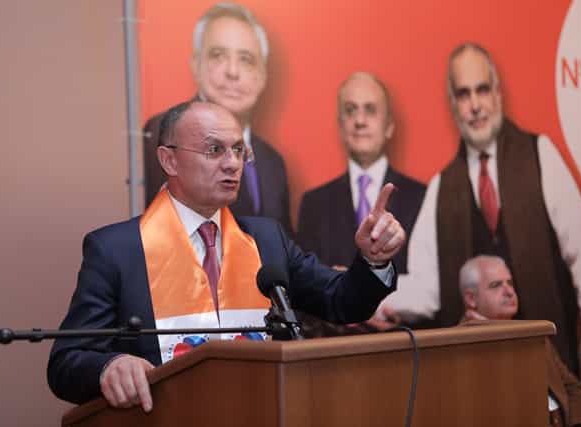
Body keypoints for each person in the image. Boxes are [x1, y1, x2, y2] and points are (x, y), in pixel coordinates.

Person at [47, 101, 406, 412]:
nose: (233, 163)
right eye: (215, 150)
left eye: (238, 150)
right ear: (169, 160)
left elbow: (342, 302)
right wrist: (109, 366)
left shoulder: (266, 239)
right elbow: (66, 362)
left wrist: (373, 260)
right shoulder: (117, 250)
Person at [372, 42, 581, 387]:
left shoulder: (541, 155)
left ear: (497, 93)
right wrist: (367, 290)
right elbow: (427, 289)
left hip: (550, 363)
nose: (475, 105)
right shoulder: (441, 186)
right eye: (463, 94)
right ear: (453, 105)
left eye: (482, 89)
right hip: (477, 378)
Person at [143, 2, 292, 234]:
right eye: (218, 55)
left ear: (263, 76)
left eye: (246, 59)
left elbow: (284, 244)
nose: (232, 71)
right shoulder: (162, 134)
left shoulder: (273, 162)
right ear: (196, 65)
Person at [297, 72, 425, 274]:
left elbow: (428, 280)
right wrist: (331, 282)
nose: (360, 120)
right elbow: (304, 280)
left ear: (389, 125)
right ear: (340, 126)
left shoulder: (422, 198)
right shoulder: (313, 205)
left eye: (370, 110)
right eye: (350, 110)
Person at [458, 255, 581, 427]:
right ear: (471, 299)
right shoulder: (458, 348)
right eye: (496, 285)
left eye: (510, 283)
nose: (509, 291)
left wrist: (580, 425)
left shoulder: (534, 335)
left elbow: (574, 389)